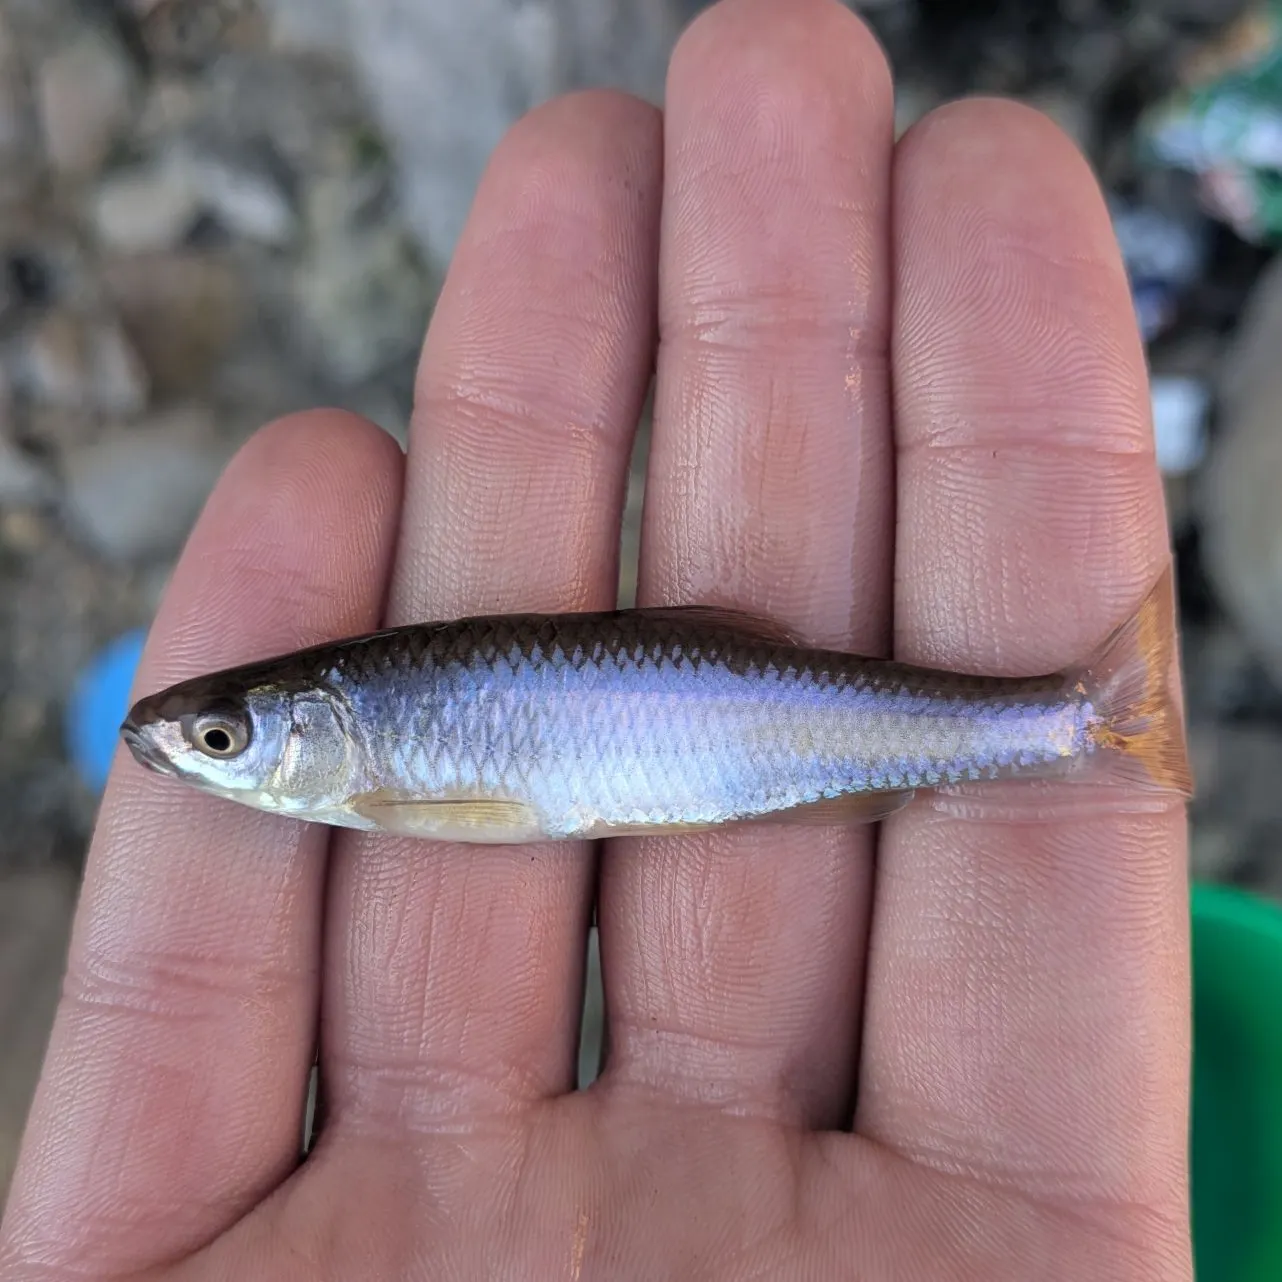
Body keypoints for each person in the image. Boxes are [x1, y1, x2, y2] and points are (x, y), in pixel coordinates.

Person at [0, 1, 1191, 1277]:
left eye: (222, 739)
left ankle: (1078, 716)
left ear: (315, 726)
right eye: (218, 740)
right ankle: (1077, 717)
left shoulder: (374, 771)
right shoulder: (367, 759)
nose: (203, 753)